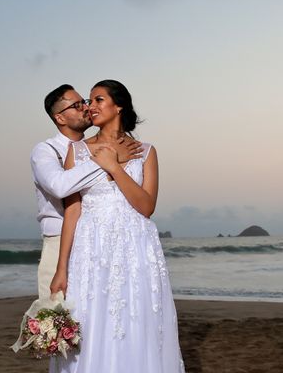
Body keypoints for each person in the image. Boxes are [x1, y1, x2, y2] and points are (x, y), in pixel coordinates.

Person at [50, 80, 185, 372]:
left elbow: (146, 206)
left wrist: (114, 167)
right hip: (91, 247)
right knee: (91, 320)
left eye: (98, 100)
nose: (90, 106)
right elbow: (72, 209)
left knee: (136, 319)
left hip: (135, 247)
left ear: (118, 105)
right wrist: (61, 268)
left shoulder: (146, 151)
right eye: (88, 101)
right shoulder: (78, 150)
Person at [30, 84, 141, 300]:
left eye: (85, 102)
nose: (86, 108)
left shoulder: (102, 146)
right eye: (77, 105)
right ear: (60, 118)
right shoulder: (45, 150)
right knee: (55, 318)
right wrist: (108, 160)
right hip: (59, 239)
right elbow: (59, 186)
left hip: (96, 242)